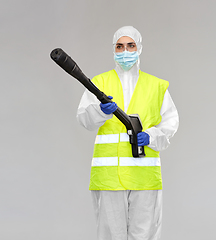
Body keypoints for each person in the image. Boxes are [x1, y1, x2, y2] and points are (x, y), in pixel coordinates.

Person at [76, 26, 179, 240]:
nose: (125, 52)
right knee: (110, 235)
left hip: (144, 176)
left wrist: (153, 136)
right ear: (113, 50)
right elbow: (83, 118)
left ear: (139, 48)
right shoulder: (99, 83)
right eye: (120, 46)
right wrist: (99, 111)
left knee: (145, 235)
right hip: (109, 177)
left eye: (130, 45)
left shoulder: (156, 86)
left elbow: (171, 122)